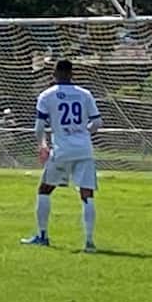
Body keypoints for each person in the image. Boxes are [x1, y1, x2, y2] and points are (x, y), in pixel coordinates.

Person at [21, 59, 102, 252]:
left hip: (62, 149)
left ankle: (42, 236)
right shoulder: (85, 94)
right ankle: (89, 242)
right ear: (72, 74)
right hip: (84, 149)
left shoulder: (47, 96)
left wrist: (42, 145)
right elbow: (97, 122)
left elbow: (39, 126)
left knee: (44, 190)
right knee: (87, 195)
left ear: (54, 74)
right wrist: (82, 134)